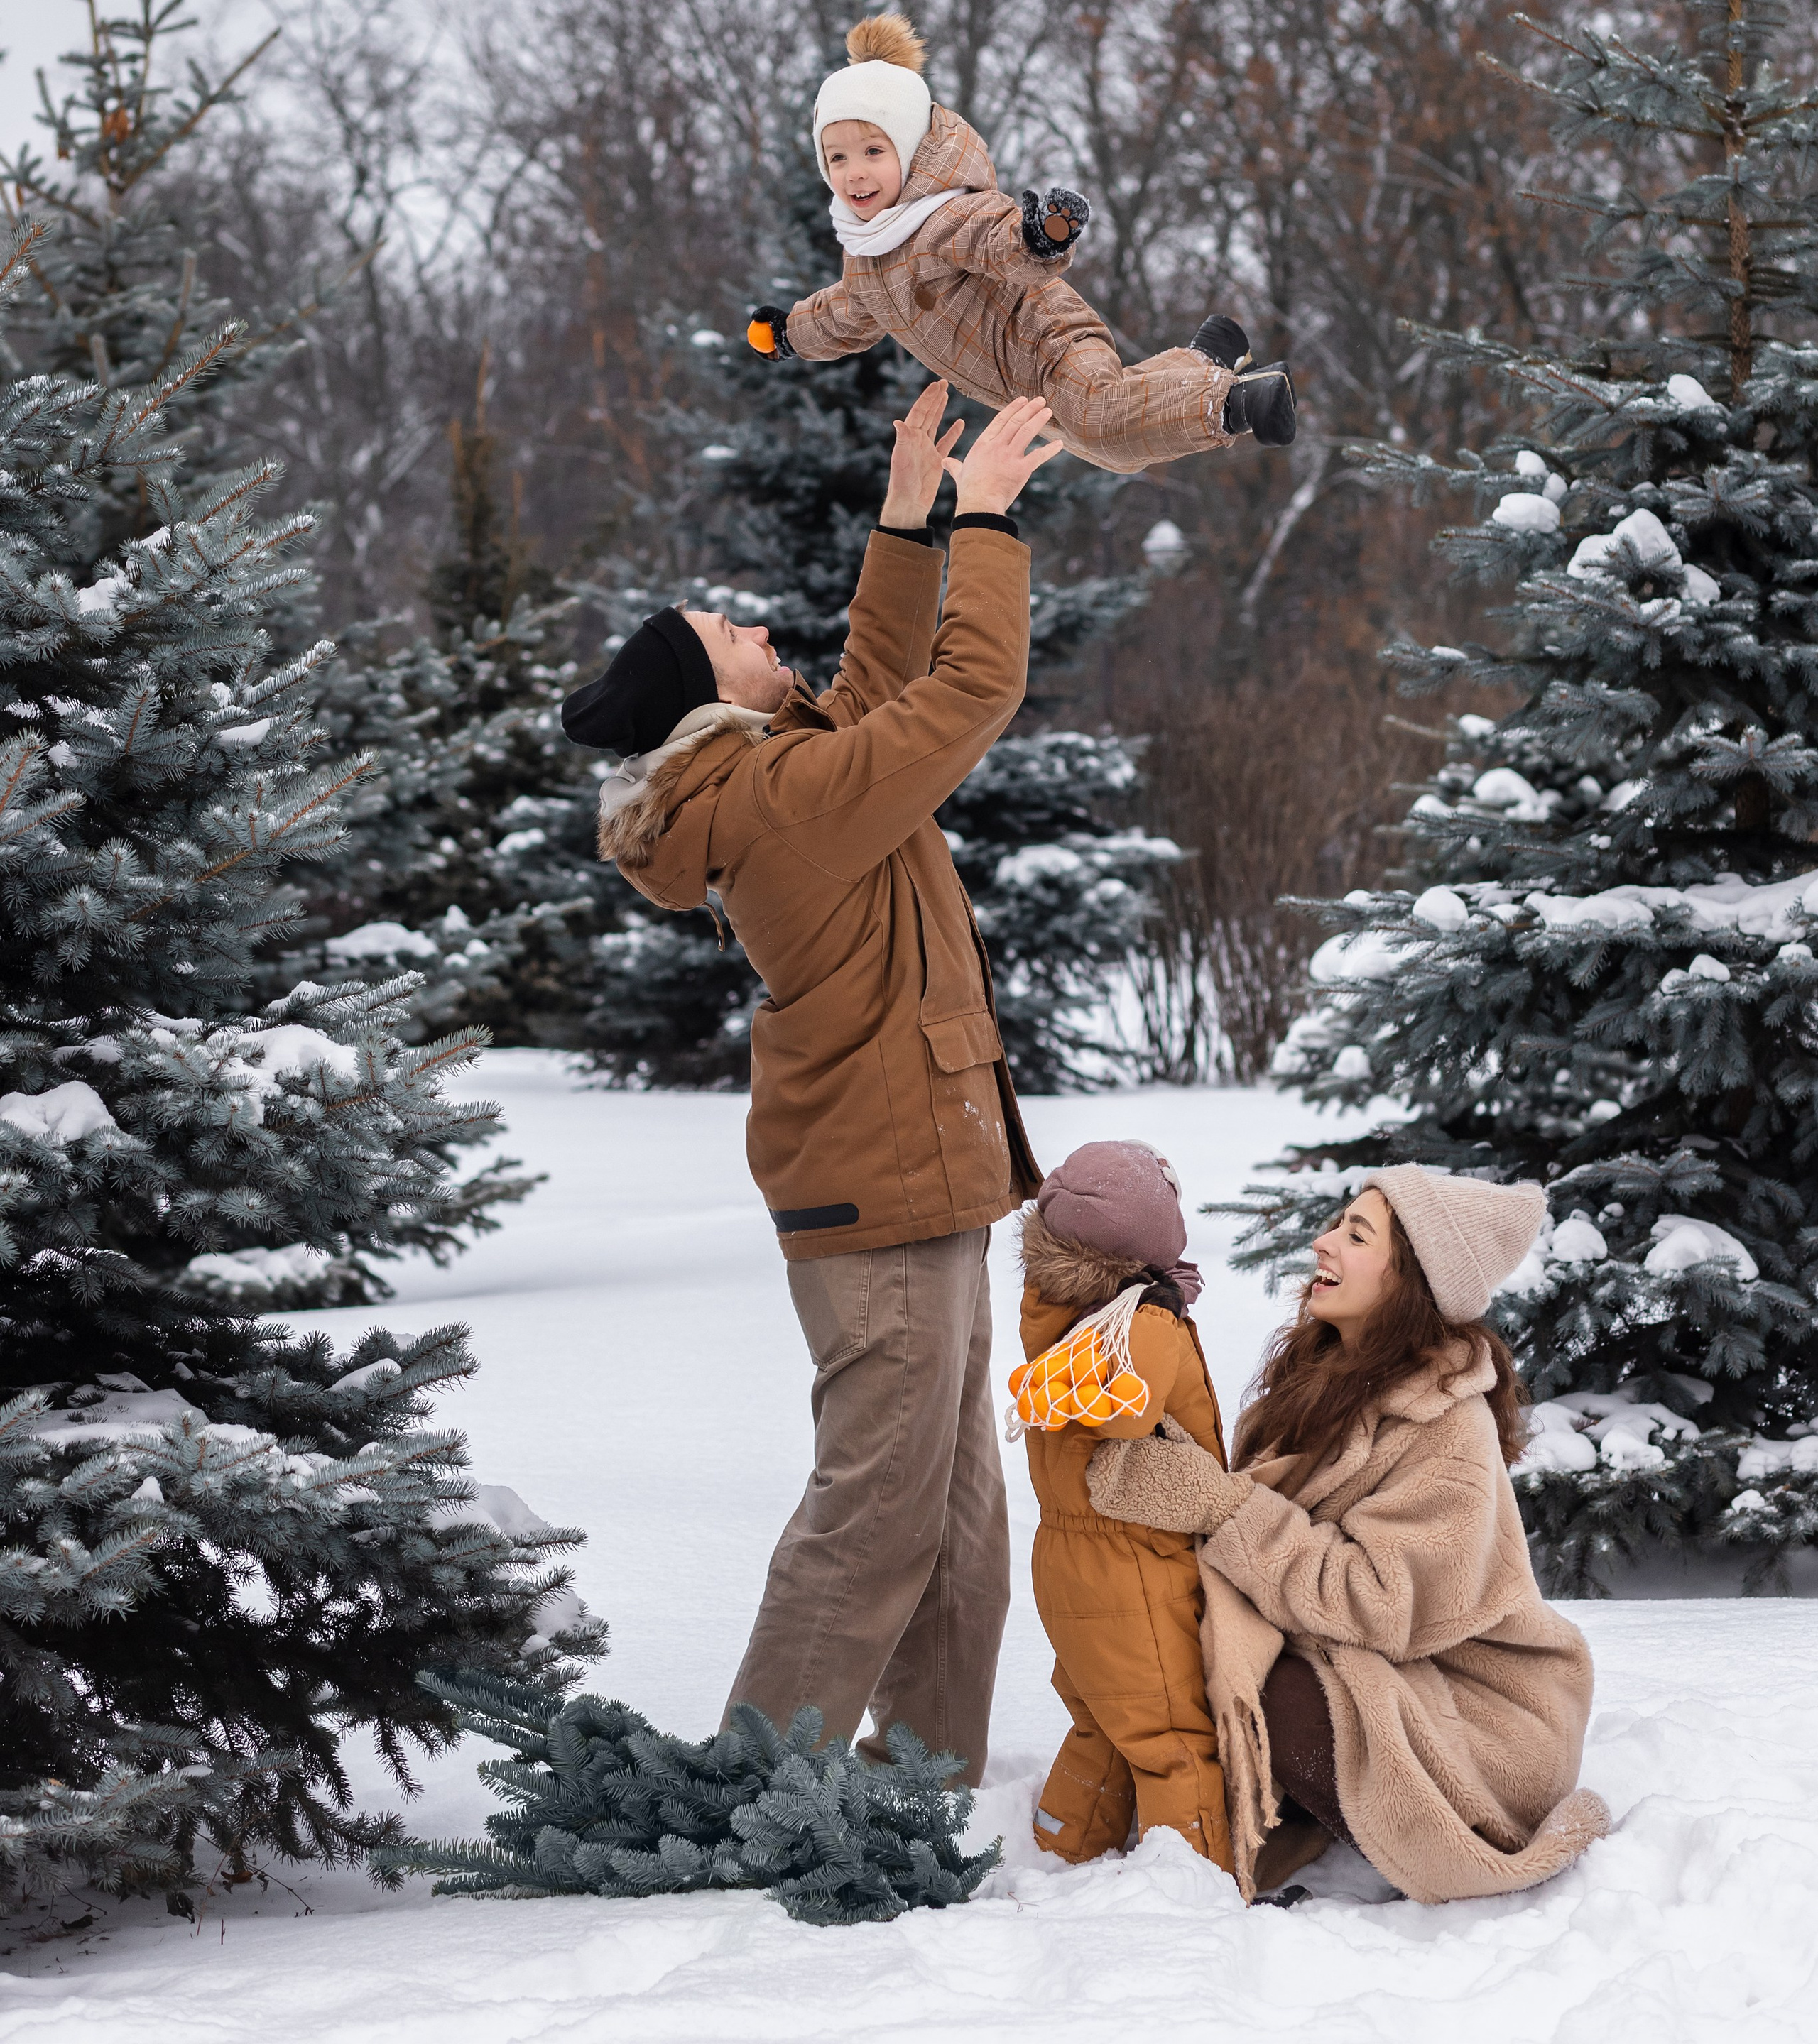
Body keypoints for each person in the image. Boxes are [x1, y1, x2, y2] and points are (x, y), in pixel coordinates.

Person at [560, 385, 1058, 1787]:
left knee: (957, 1520)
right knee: (880, 1513)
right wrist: (985, 520)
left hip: (912, 1171)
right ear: (709, 696)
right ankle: (748, 1795)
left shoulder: (774, 777)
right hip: (880, 1188)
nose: (766, 634)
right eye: (736, 638)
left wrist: (904, 524)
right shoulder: (781, 800)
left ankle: (918, 1790)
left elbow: (875, 692)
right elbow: (964, 695)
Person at [1085, 1164, 1612, 1904]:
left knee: (1258, 1691)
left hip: (1482, 1721)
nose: (1321, 1243)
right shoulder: (1324, 1372)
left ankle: (1350, 1826)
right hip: (1384, 1666)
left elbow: (1378, 1601)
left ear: (1411, 1280)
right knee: (1192, 1650)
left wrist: (1225, 1509)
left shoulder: (1448, 1429)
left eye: (1355, 1234)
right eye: (1336, 1224)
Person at [744, 13, 1296, 471]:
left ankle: (1239, 401)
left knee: (1101, 422)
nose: (854, 173)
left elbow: (995, 236)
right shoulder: (866, 257)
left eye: (873, 152)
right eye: (837, 157)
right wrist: (789, 332)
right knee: (1107, 447)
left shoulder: (943, 215)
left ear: (910, 151)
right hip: (1019, 388)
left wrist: (1040, 234)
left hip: (1050, 344)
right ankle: (1209, 355)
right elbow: (843, 312)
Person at [1009, 1142, 1234, 1871]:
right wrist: (1157, 1319)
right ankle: (1194, 1881)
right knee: (1170, 1735)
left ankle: (1059, 1847)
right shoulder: (1139, 1321)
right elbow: (1127, 1414)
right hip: (1130, 1564)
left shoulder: (1056, 1302)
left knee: (1103, 1723)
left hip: (1067, 1558)